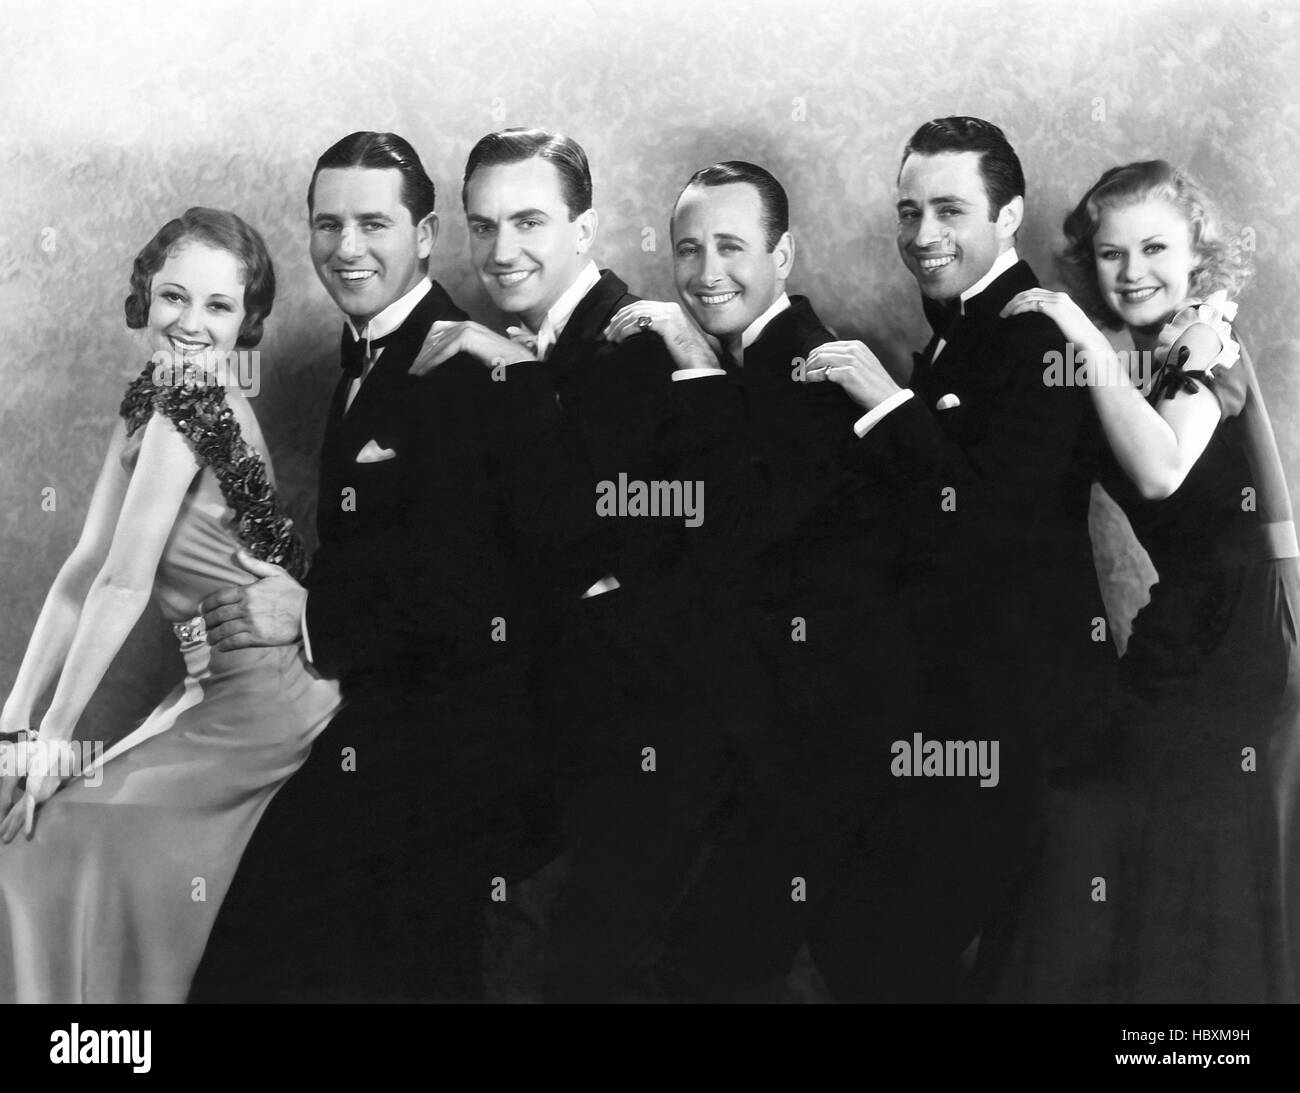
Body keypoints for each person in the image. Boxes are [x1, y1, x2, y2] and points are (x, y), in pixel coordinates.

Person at [190, 132, 583, 1002]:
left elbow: (486, 593)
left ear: (427, 234)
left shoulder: (484, 370)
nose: (347, 247)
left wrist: (302, 613)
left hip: (458, 756)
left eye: (374, 222)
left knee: (278, 944)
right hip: (376, 723)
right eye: (327, 224)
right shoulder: (362, 362)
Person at [412, 128, 735, 1001]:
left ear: (584, 230)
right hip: (555, 723)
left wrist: (511, 372)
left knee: (588, 967)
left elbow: (582, 535)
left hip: (637, 730)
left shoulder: (633, 344)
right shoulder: (525, 345)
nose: (501, 250)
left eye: (528, 222)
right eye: (483, 227)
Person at [0, 208, 342, 1003]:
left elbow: (126, 584)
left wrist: (55, 741)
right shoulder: (156, 396)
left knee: (49, 844)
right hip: (204, 686)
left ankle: (98, 1049)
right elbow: (86, 569)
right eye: (173, 297)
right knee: (36, 838)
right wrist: (13, 721)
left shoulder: (194, 410)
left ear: (246, 320)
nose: (191, 325)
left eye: (219, 307)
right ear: (143, 297)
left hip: (262, 697)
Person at [807, 117, 1113, 1000]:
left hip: (1017, 711)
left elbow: (986, 523)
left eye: (949, 209)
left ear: (1009, 213)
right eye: (909, 212)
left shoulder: (1035, 337)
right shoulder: (963, 332)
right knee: (866, 935)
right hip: (949, 702)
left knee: (887, 945)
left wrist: (882, 401)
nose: (922, 236)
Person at [600, 160, 913, 999]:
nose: (707, 273)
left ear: (784, 254)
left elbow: (738, 535)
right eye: (689, 248)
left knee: (721, 963)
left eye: (731, 246)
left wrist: (690, 362)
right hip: (751, 729)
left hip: (823, 743)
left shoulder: (816, 369)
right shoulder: (735, 361)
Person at [995, 159, 1300, 1003]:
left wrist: (1085, 342)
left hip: (1243, 628)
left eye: (1156, 249)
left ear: (1198, 257)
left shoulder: (1208, 340)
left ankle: (1197, 1047)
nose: (1132, 273)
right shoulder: (1151, 357)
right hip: (1190, 615)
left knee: (1191, 845)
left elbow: (1163, 470)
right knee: (1121, 825)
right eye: (1110, 254)